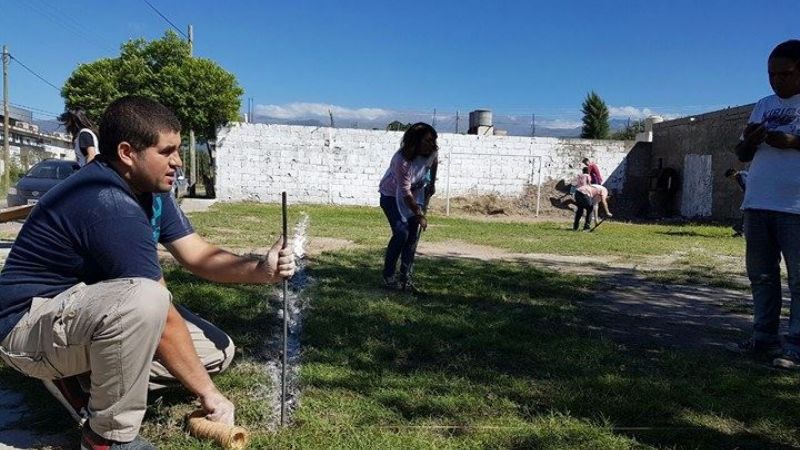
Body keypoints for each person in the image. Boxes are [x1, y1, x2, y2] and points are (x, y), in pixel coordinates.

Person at [0, 96, 295, 449]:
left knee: (217, 351)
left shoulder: (151, 192)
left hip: (77, 318)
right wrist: (211, 396)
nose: (178, 161)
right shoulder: (108, 203)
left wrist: (261, 269)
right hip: (25, 328)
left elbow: (197, 254)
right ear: (127, 153)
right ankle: (107, 436)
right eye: (167, 151)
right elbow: (163, 315)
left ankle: (87, 380)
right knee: (147, 299)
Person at [727, 39, 800, 370]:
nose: (776, 81)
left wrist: (793, 142)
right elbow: (741, 155)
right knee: (762, 276)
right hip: (758, 203)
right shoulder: (763, 104)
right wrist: (750, 141)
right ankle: (764, 337)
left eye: (784, 74)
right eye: (771, 74)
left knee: (799, 279)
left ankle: (796, 346)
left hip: (796, 207)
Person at [378, 122, 438, 292]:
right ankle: (389, 276)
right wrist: (419, 214)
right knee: (401, 233)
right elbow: (404, 193)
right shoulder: (401, 161)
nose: (432, 145)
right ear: (414, 142)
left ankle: (406, 276)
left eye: (433, 140)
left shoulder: (431, 151)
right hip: (391, 196)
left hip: (415, 194)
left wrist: (431, 183)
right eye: (427, 141)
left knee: (412, 237)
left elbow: (434, 162)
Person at [724, 167, 748, 237]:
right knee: (745, 213)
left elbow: (747, 187)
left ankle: (740, 229)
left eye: (730, 177)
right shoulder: (741, 175)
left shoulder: (740, 176)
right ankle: (740, 229)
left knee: (746, 213)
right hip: (751, 196)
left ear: (733, 173)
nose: (731, 180)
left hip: (752, 197)